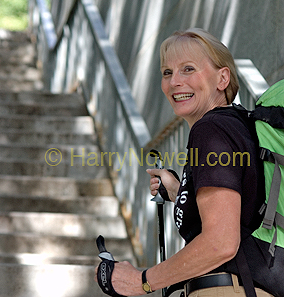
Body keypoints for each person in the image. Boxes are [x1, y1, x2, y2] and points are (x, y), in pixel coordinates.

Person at [95, 28, 276, 297]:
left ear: (222, 78)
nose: (174, 82)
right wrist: (181, 191)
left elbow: (220, 243)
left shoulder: (211, 130)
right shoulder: (240, 126)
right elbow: (243, 213)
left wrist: (140, 280)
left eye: (188, 69)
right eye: (167, 72)